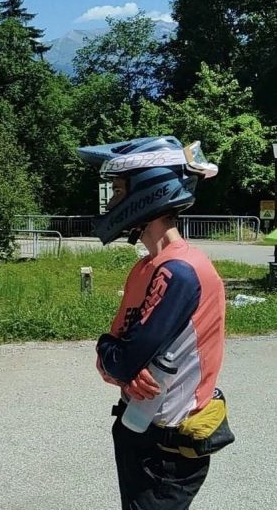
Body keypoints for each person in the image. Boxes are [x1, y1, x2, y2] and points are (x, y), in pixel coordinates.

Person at [77, 136, 234, 510]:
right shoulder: (148, 265)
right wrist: (114, 358)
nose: (112, 201)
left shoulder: (179, 271)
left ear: (147, 192)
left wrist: (113, 357)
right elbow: (115, 355)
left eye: (117, 190)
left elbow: (119, 356)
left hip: (166, 448)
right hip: (141, 428)